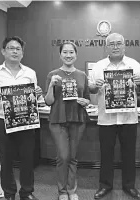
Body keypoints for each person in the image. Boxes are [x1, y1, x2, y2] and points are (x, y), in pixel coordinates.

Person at [0, 36, 42, 200]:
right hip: (3, 121)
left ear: (22, 53)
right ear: (3, 51)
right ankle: (8, 193)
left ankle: (27, 192)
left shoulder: (30, 73)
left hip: (26, 122)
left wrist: (37, 94)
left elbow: (34, 97)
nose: (15, 51)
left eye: (18, 49)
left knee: (27, 159)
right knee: (6, 160)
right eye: (11, 48)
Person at [88, 33, 140, 200]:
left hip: (129, 118)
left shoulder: (134, 65)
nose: (115, 46)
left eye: (118, 43)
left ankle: (129, 186)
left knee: (129, 153)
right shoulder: (98, 66)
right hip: (106, 119)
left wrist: (139, 84)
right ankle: (105, 185)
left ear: (124, 46)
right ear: (106, 47)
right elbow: (91, 89)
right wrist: (95, 86)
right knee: (106, 154)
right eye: (111, 44)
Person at [44, 41, 90, 200]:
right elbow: (48, 101)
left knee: (73, 157)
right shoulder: (53, 74)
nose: (68, 55)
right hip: (58, 120)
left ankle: (71, 190)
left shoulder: (82, 75)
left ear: (76, 55)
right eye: (65, 52)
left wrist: (86, 102)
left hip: (78, 119)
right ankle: (62, 191)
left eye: (71, 52)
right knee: (63, 156)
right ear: (60, 54)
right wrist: (51, 86)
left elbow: (87, 99)